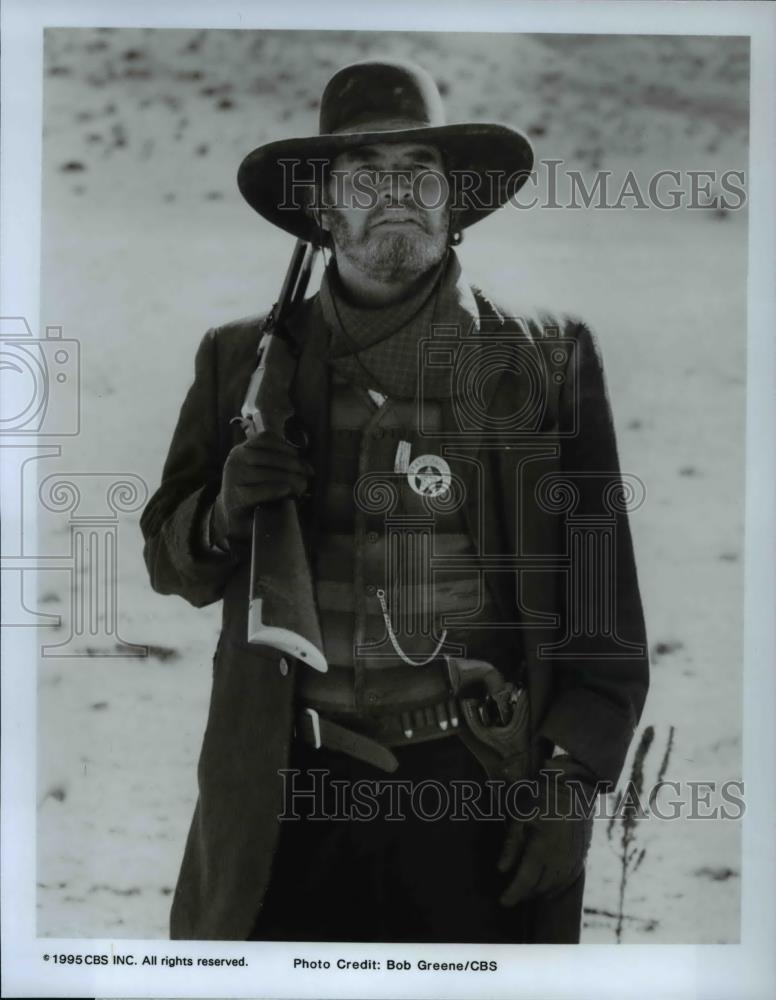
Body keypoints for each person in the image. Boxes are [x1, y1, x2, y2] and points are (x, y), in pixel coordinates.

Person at [141, 59, 649, 943]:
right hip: (287, 797)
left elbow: (603, 611)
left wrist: (572, 785)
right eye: (365, 173)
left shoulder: (546, 359)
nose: (397, 194)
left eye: (420, 171)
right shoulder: (240, 361)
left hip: (477, 796)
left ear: (456, 202)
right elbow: (170, 562)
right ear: (322, 206)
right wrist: (223, 512)